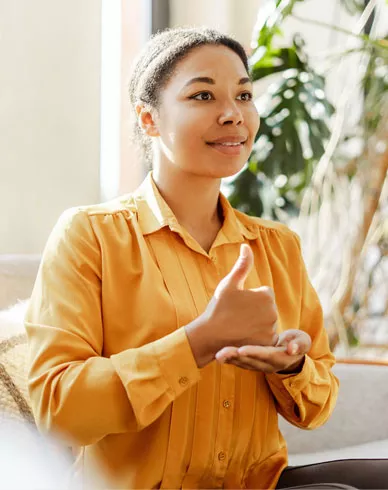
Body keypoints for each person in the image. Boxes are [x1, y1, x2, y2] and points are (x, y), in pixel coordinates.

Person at [25, 27, 387, 489]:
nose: (233, 114)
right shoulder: (91, 235)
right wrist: (198, 342)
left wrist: (290, 367)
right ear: (149, 118)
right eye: (202, 95)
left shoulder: (276, 246)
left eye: (244, 94)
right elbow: (58, 409)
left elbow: (319, 405)